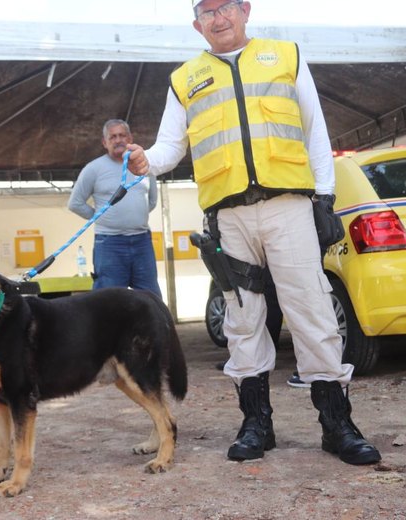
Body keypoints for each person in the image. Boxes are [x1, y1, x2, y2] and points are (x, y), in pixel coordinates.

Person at [126, 0, 380, 465]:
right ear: (196, 24)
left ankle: (337, 426)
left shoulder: (286, 56)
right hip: (229, 217)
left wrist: (323, 198)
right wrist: (147, 160)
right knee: (244, 318)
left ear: (245, 10)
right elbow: (169, 146)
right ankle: (256, 424)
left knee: (312, 311)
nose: (218, 18)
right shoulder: (184, 79)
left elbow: (314, 129)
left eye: (225, 7)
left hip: (289, 207)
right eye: (207, 12)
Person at [67, 119, 163, 298]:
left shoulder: (144, 166)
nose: (118, 140)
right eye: (113, 137)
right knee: (109, 302)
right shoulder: (94, 169)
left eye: (122, 135)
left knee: (151, 299)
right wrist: (101, 217)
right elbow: (75, 203)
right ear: (104, 142)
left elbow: (151, 202)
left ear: (130, 138)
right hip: (110, 244)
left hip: (142, 241)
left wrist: (134, 217)